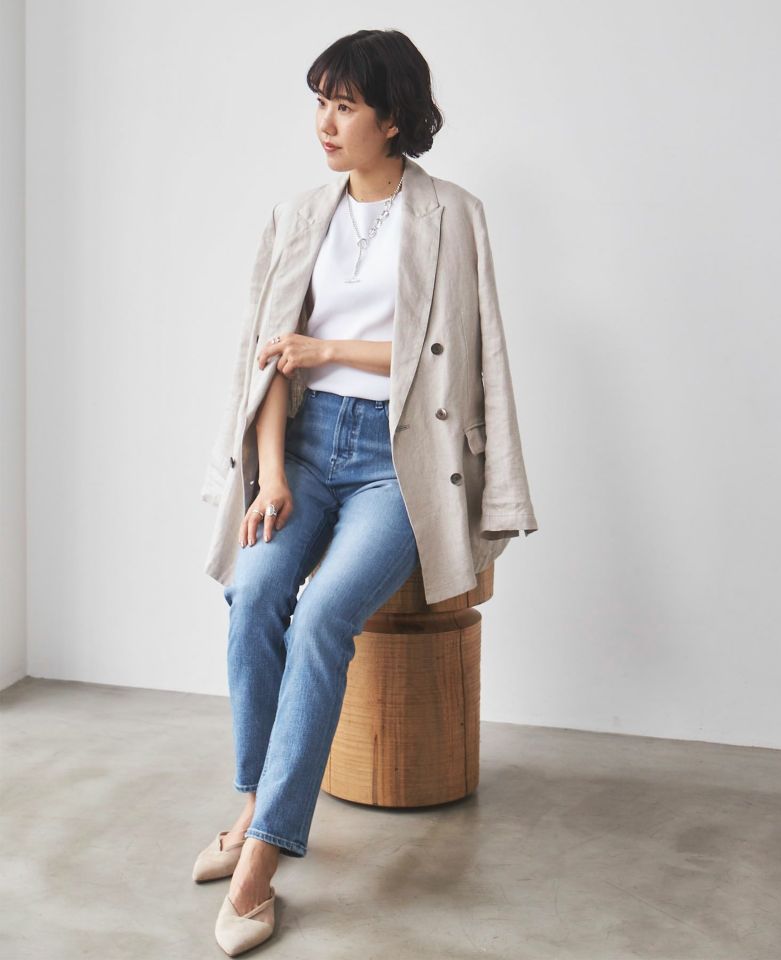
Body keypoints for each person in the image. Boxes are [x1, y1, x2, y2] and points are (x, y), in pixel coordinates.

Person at [196, 28, 537, 956]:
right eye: (320, 102)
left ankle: (262, 861)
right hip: (304, 448)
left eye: (345, 105)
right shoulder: (297, 216)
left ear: (393, 118)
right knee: (255, 594)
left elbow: (452, 359)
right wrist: (271, 473)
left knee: (322, 619)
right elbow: (268, 360)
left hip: (398, 460)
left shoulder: (452, 215)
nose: (326, 122)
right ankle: (253, 802)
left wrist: (330, 348)